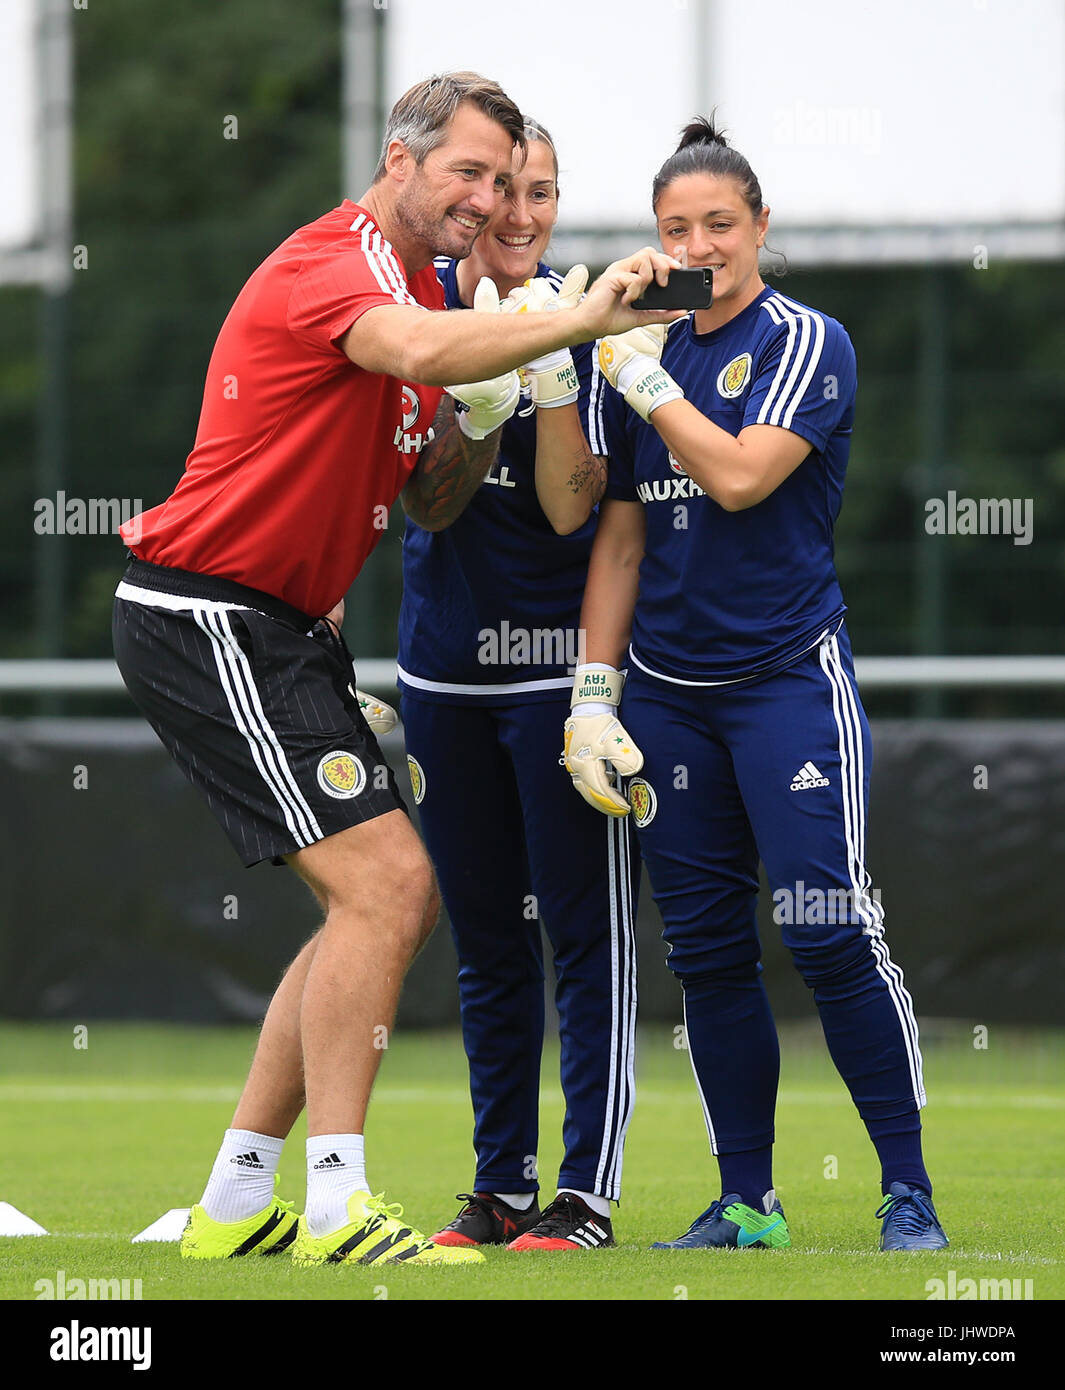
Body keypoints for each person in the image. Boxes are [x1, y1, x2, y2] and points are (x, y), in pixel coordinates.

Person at [111, 70, 681, 1271]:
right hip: (211, 613)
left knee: (363, 905)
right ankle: (337, 1207)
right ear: (400, 160)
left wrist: (486, 410)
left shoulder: (421, 289)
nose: (486, 200)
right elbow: (415, 341)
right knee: (391, 891)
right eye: (468, 172)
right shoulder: (346, 259)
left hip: (278, 627)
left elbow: (429, 498)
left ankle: (236, 1199)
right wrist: (574, 324)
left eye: (507, 179)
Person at [564, 115, 949, 1252]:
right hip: (669, 694)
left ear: (760, 226)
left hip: (785, 678)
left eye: (719, 223)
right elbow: (621, 541)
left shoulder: (803, 339)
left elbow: (736, 477)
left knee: (828, 929)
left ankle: (907, 1190)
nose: (701, 244)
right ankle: (749, 1200)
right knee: (707, 951)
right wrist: (593, 692)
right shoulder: (639, 349)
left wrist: (641, 385)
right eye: (677, 227)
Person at [397, 121, 639, 1254]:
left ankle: (583, 1192)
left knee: (581, 935)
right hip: (444, 669)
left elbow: (565, 508)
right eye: (502, 191)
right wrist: (473, 388)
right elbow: (427, 500)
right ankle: (500, 1182)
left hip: (553, 678)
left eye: (541, 191)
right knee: (487, 938)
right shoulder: (414, 309)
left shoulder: (580, 318)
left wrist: (541, 373)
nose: (523, 214)